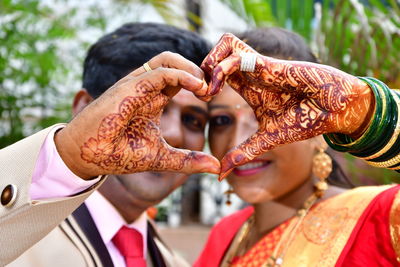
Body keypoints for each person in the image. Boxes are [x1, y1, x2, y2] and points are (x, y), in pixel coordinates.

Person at [1, 23, 220, 266]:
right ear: (84, 107)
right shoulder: (16, 240)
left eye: (193, 120)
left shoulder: (174, 263)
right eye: (148, 107)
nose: (173, 133)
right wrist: (67, 157)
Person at [196, 28, 400, 266]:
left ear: (321, 130)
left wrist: (365, 111)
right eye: (222, 120)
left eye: (266, 115)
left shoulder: (381, 217)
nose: (235, 143)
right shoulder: (225, 234)